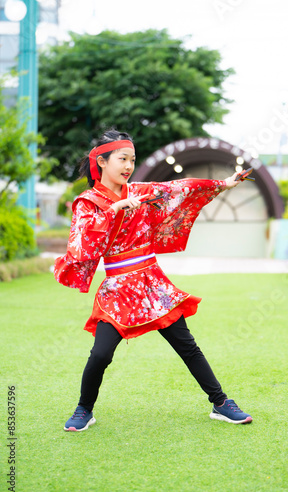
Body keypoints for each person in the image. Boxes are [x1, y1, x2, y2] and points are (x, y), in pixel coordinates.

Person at [54, 129, 253, 431]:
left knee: (188, 346)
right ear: (102, 162)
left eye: (132, 160)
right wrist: (115, 209)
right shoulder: (88, 202)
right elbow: (82, 242)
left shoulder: (139, 191)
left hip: (152, 284)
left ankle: (221, 403)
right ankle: (84, 409)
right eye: (122, 159)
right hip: (118, 289)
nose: (128, 166)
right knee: (101, 354)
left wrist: (223, 184)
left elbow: (177, 189)